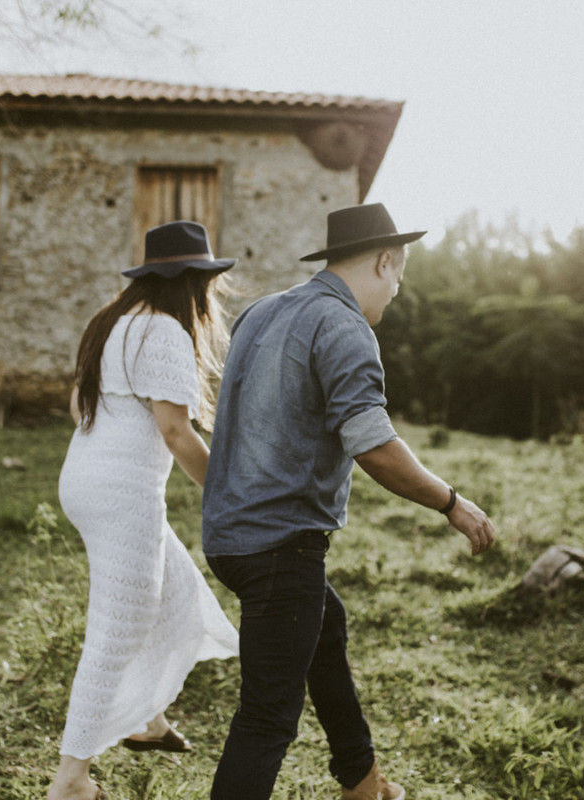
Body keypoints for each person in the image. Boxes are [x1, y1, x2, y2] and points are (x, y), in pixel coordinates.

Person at [201, 203, 496, 800]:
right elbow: (374, 447)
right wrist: (452, 504)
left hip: (229, 538)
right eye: (397, 281)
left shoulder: (261, 313)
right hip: (280, 546)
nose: (393, 298)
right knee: (265, 720)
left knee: (323, 629)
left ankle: (362, 781)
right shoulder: (342, 326)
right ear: (385, 262)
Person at [48, 220, 241, 800]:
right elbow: (178, 434)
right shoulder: (164, 333)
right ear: (191, 284)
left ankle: (146, 720)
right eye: (205, 283)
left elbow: (78, 400)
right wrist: (228, 495)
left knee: (177, 591)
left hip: (85, 478)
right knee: (118, 628)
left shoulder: (113, 323)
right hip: (119, 494)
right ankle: (71, 780)